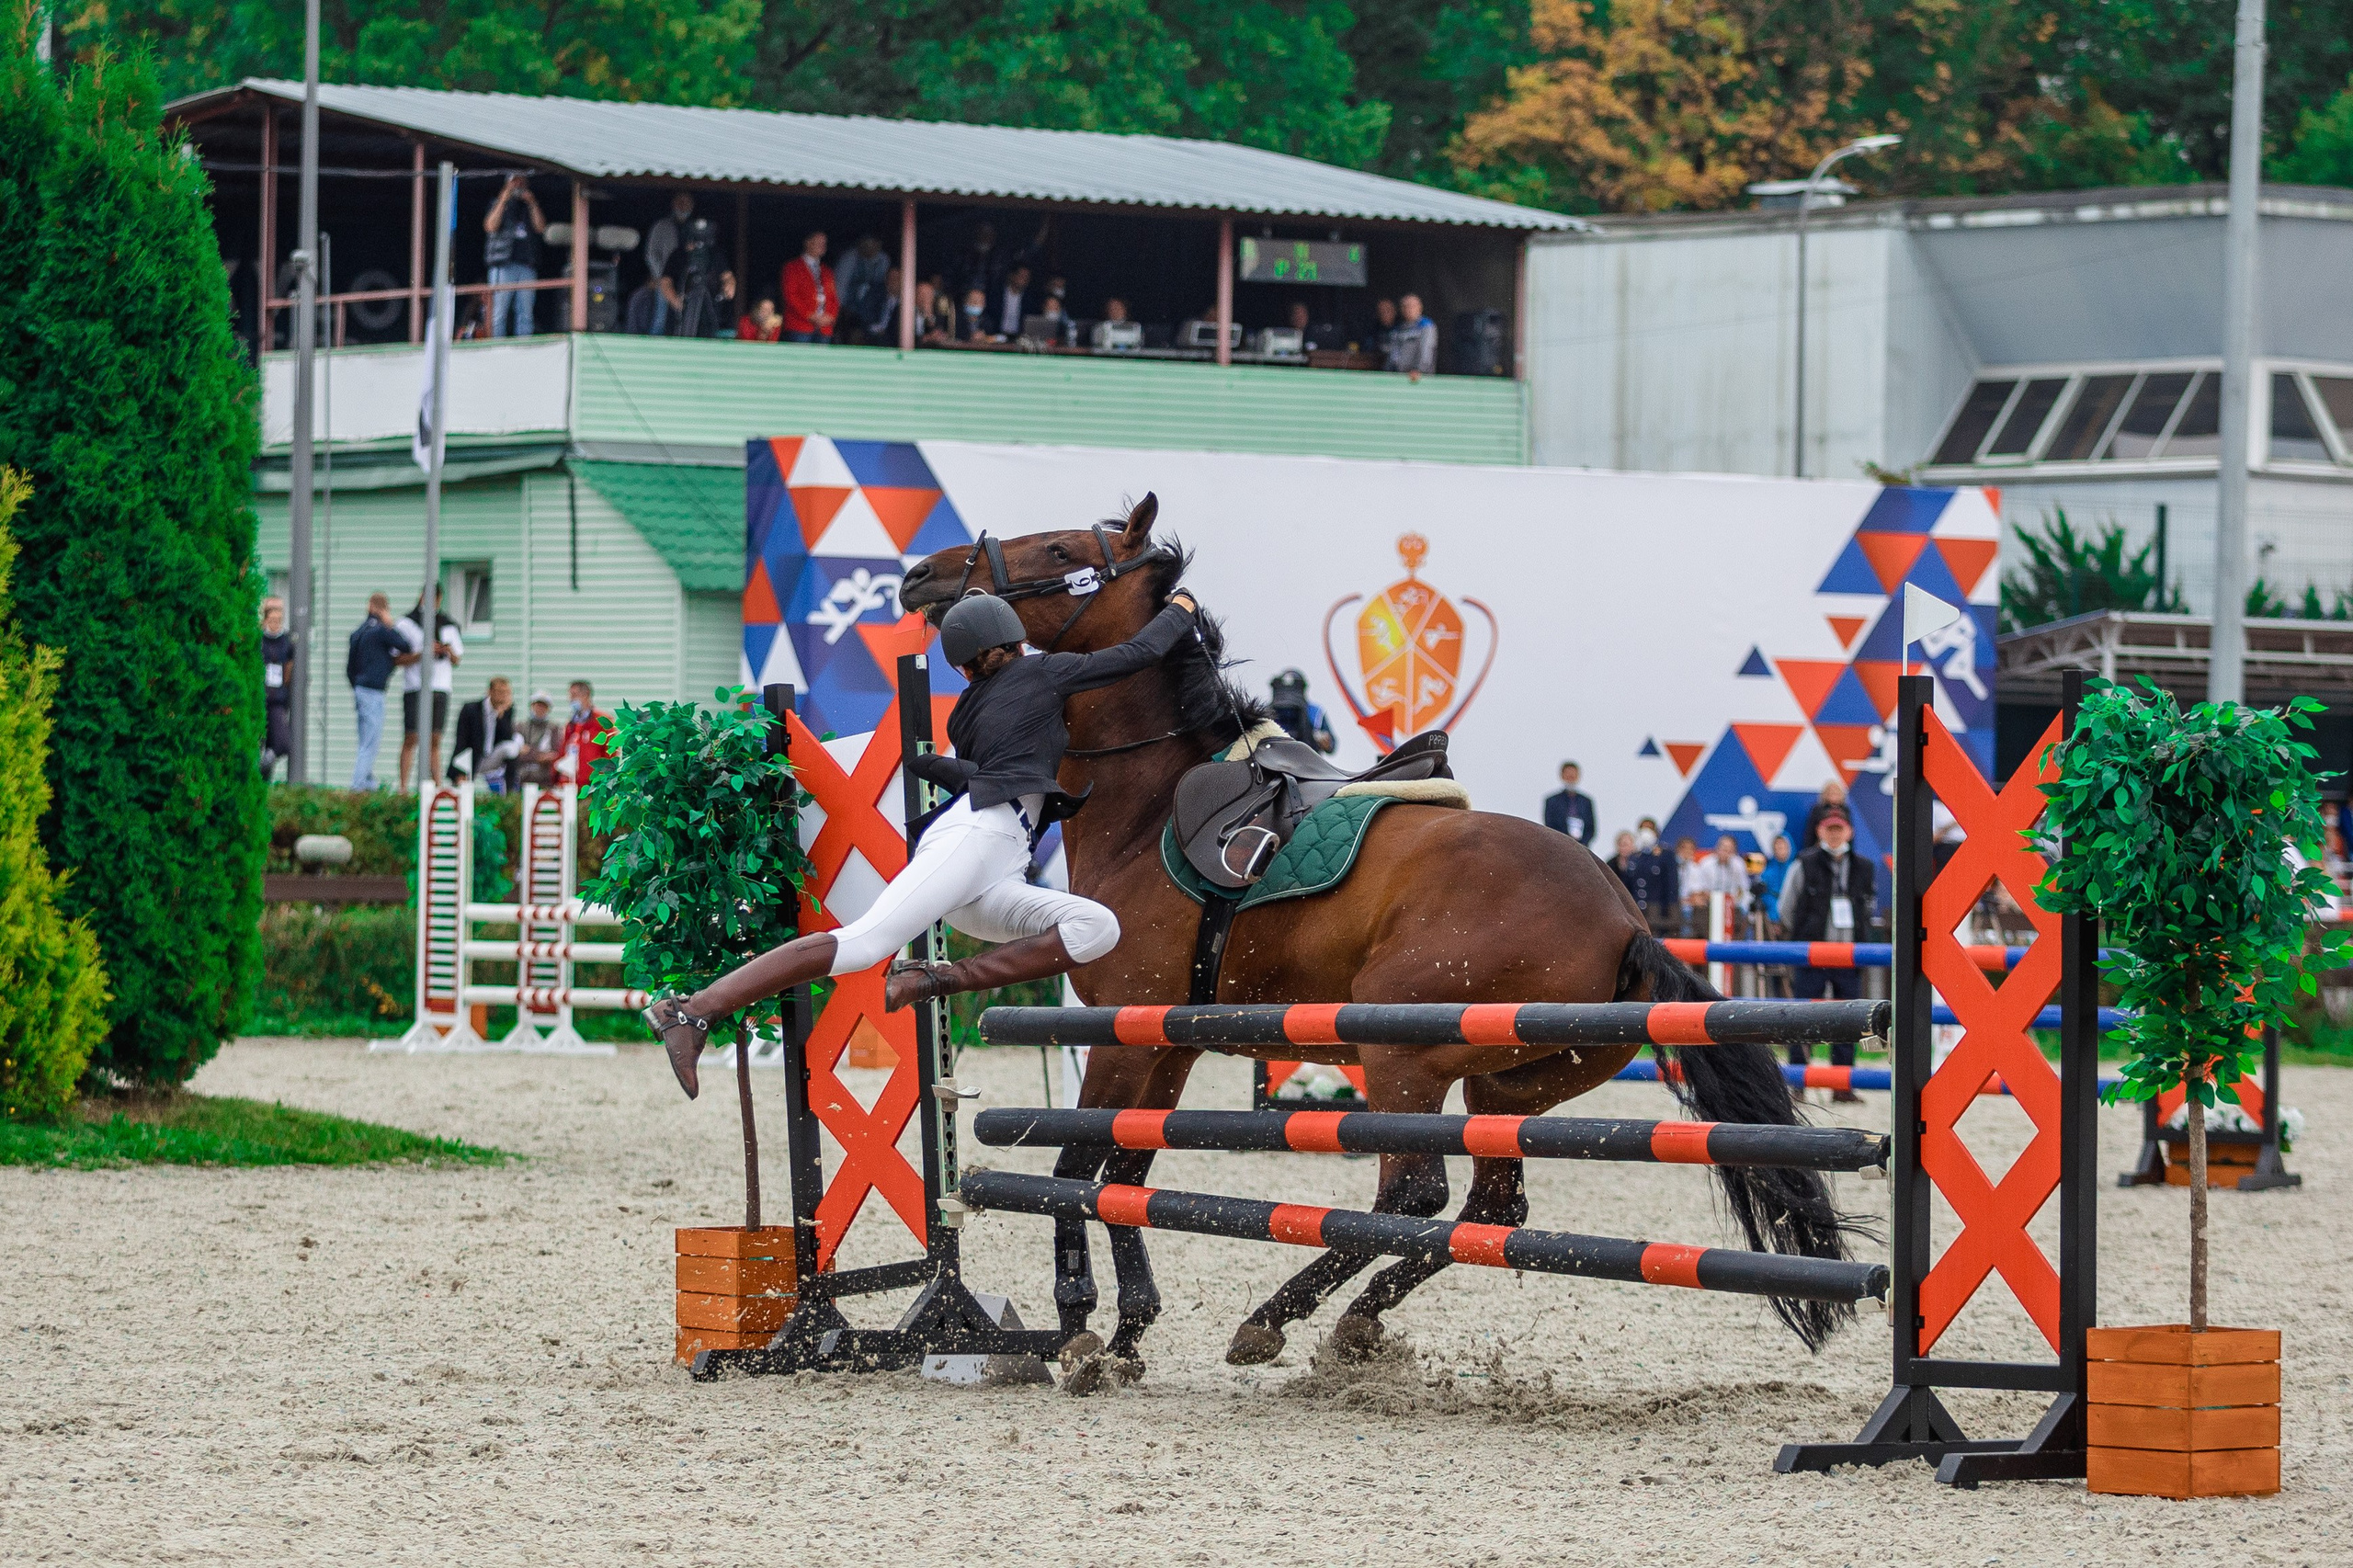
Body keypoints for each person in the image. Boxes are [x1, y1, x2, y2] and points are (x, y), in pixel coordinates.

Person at [644, 586, 1205, 1097]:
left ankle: (937, 978)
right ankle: (694, 1011)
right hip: (980, 836)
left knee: (1097, 927)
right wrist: (1178, 609)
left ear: (963, 665)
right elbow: (1137, 655)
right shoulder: (1043, 673)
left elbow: (982, 772)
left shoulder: (967, 709)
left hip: (1002, 859)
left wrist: (932, 764)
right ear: (1013, 641)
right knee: (864, 943)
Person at [1777, 809, 1876, 1101]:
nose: (1834, 834)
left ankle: (1842, 1085)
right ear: (1820, 832)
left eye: (1839, 829)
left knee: (1850, 1020)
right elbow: (1786, 908)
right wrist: (1802, 940)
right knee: (1803, 1017)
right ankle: (1798, 1081)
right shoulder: (1804, 863)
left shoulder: (1864, 867)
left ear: (1849, 833)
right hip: (1812, 953)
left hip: (1850, 955)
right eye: (1829, 829)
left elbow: (1867, 909)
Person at [395, 597, 462, 790]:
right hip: (415, 686)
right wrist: (423, 652)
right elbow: (396, 658)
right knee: (412, 736)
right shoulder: (407, 623)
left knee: (435, 737)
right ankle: (403, 787)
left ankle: (437, 785)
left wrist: (447, 651)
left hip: (440, 687)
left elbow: (457, 659)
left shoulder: (449, 625)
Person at [345, 592, 405, 790]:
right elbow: (405, 644)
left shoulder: (359, 632)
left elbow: (349, 668)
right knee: (370, 742)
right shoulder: (381, 631)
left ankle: (369, 782)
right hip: (373, 691)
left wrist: (356, 684)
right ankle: (359, 785)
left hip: (360, 689)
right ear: (383, 610)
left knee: (364, 740)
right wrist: (390, 624)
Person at [483, 176, 546, 338]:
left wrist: (532, 203)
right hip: (503, 263)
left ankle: (523, 344)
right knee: (499, 311)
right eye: (514, 182)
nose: (518, 186)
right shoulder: (497, 203)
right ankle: (496, 345)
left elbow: (540, 228)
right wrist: (503, 200)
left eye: (521, 182)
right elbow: (490, 226)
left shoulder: (529, 206)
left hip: (527, 264)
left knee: (525, 311)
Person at [659, 217, 734, 338]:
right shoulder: (678, 255)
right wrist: (675, 300)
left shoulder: (715, 254)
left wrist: (729, 287)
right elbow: (665, 281)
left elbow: (727, 276)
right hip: (682, 310)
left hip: (709, 308)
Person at [450, 676, 522, 790]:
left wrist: (501, 717)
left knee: (513, 747)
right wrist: (459, 771)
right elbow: (461, 739)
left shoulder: (508, 710)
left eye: (507, 693)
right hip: (473, 756)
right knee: (462, 786)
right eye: (500, 692)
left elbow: (507, 738)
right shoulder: (471, 709)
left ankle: (510, 792)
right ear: (489, 692)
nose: (503, 696)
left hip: (492, 756)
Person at [643, 192, 695, 332]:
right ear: (673, 204)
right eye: (680, 202)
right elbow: (651, 254)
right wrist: (661, 276)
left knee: (690, 317)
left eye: (687, 202)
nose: (683, 206)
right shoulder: (661, 226)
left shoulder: (694, 228)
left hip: (688, 280)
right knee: (661, 316)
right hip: (665, 280)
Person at [258, 595, 295, 780]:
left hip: (277, 698)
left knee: (280, 741)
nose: (275, 623)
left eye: (278, 620)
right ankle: (261, 779)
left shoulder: (286, 641)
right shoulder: (259, 640)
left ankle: (265, 764)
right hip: (260, 698)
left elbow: (288, 669)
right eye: (272, 620)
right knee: (260, 740)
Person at [1622, 818, 1678, 934]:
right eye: (1643, 829)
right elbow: (1628, 884)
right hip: (1637, 909)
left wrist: (1671, 910)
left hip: (1658, 910)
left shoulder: (1665, 855)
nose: (1645, 833)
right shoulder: (1635, 856)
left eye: (1649, 829)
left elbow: (1672, 885)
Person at [780, 230, 837, 342]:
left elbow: (833, 298)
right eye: (819, 243)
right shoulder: (792, 267)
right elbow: (791, 296)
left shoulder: (827, 271)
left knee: (822, 359)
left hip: (824, 327)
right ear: (808, 243)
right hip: (800, 326)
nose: (822, 246)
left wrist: (830, 316)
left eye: (824, 243)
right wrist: (810, 315)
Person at [835, 235, 889, 343]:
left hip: (872, 309)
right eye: (865, 244)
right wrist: (839, 310)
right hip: (848, 308)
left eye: (872, 244)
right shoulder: (849, 258)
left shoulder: (883, 260)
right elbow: (840, 286)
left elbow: (885, 287)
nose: (868, 248)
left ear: (878, 245)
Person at [1267, 669, 1336, 753]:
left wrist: (1326, 742)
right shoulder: (1264, 713)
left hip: (1307, 761)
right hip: (1273, 762)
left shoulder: (1314, 713)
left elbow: (1331, 745)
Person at [561, 680, 614, 784]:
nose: (570, 699)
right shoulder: (571, 724)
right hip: (571, 782)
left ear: (586, 695)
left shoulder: (602, 721)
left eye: (574, 695)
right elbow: (564, 750)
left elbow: (611, 751)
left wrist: (605, 778)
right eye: (570, 695)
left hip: (593, 782)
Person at [507, 689, 563, 790]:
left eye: (544, 706)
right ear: (532, 706)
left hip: (546, 781)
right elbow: (516, 753)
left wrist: (529, 752)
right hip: (522, 780)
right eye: (538, 705)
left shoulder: (554, 728)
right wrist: (540, 756)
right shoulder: (520, 727)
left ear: (548, 709)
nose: (540, 709)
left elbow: (556, 754)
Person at [1541, 760, 1597, 846]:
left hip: (1582, 847)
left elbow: (1591, 827)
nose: (1571, 778)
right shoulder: (1552, 801)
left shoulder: (1586, 801)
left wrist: (1582, 843)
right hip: (1559, 846)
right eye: (1568, 775)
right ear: (1562, 776)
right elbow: (1549, 826)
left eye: (1573, 775)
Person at [1388, 291, 1438, 379]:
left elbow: (1426, 351)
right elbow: (1394, 353)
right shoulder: (1398, 329)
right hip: (1400, 375)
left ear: (1420, 307)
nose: (1409, 309)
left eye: (1412, 306)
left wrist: (1419, 370)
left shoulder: (1426, 326)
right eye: (1406, 307)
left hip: (1418, 376)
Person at [1800, 778, 1849, 847]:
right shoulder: (1817, 810)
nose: (1834, 794)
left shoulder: (1846, 810)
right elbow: (1810, 834)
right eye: (1831, 792)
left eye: (1836, 792)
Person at [995, 264, 1035, 339]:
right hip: (997, 335)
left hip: (1019, 338)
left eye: (1026, 277)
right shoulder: (998, 294)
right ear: (1012, 276)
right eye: (1021, 276)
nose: (1024, 280)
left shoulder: (1030, 299)